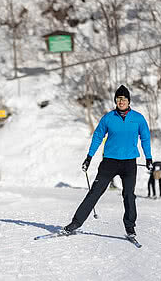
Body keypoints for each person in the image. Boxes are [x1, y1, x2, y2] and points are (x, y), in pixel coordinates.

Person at [64, 85, 152, 238]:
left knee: (129, 195)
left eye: (124, 99)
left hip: (129, 163)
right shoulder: (108, 118)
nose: (121, 101)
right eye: (118, 99)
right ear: (115, 101)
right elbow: (98, 136)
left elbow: (145, 138)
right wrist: (89, 157)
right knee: (95, 192)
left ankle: (130, 227)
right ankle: (76, 223)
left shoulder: (138, 118)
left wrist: (149, 158)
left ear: (129, 101)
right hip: (109, 163)